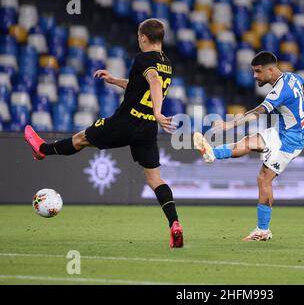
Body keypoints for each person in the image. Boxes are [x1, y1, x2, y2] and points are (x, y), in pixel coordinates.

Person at [24, 18, 184, 248]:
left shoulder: (143, 58)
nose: (138, 40)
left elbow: (154, 83)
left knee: (81, 138)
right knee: (155, 179)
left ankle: (42, 150)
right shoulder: (167, 62)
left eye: (139, 36)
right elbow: (141, 85)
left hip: (126, 122)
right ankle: (174, 224)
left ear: (144, 38)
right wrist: (114, 80)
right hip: (147, 127)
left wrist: (159, 112)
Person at [194, 51, 304, 241]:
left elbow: (258, 112)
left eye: (258, 72)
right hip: (281, 132)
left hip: (290, 141)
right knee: (249, 142)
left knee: (263, 179)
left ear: (270, 70)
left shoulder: (280, 91)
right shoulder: (293, 78)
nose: (254, 76)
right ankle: (212, 153)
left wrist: (230, 124)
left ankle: (263, 230)